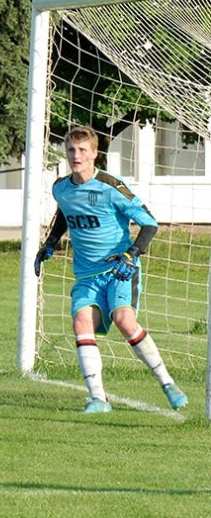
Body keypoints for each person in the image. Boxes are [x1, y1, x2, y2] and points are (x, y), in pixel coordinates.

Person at [34, 125, 188, 413]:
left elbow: (150, 223)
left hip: (119, 270)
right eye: (71, 149)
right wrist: (50, 243)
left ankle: (168, 383)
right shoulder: (61, 188)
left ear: (94, 153)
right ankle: (98, 399)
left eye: (82, 150)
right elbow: (64, 214)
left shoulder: (110, 186)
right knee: (81, 322)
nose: (76, 155)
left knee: (124, 321)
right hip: (86, 275)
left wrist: (131, 254)